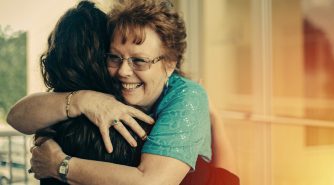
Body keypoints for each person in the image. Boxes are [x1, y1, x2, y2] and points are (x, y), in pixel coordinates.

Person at [8, 0, 239, 184]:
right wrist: (81, 100)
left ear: (170, 64)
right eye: (115, 57)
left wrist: (59, 164)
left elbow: (153, 182)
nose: (124, 71)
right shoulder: (108, 90)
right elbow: (16, 117)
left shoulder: (188, 97)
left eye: (139, 60)